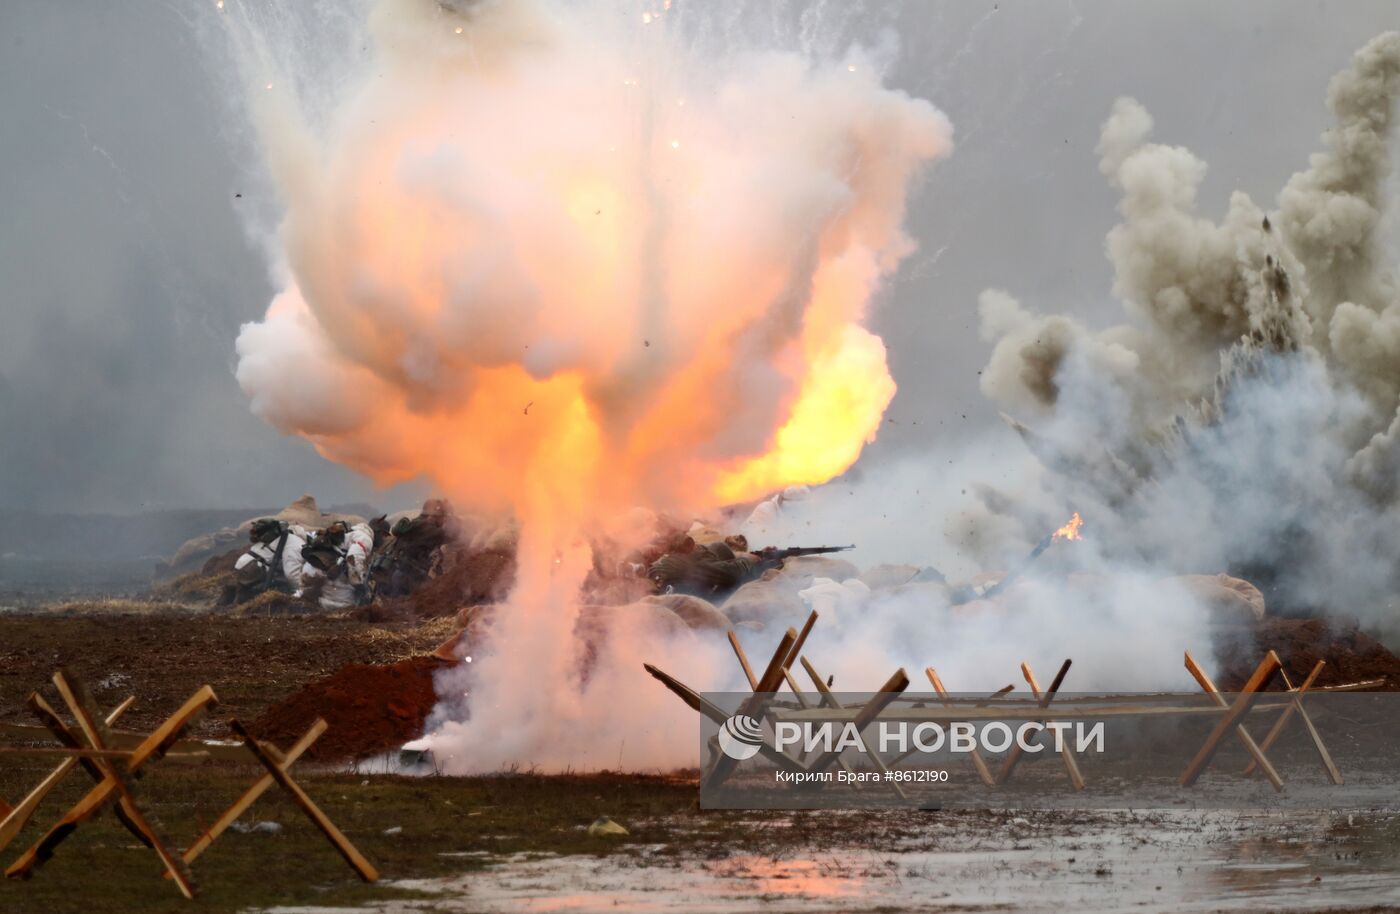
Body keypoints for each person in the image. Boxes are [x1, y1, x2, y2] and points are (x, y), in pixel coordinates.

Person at [372, 498, 459, 598]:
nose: (443, 520)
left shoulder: (415, 524)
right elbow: (453, 536)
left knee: (398, 607)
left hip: (399, 574)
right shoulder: (431, 530)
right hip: (413, 577)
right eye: (442, 517)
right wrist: (451, 515)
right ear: (432, 516)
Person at [227, 518, 310, 604]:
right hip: (253, 568)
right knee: (282, 585)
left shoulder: (282, 537)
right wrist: (300, 592)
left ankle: (230, 601)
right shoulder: (296, 545)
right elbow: (291, 574)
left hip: (244, 564)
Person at [647, 538, 761, 598]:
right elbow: (730, 573)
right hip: (668, 601)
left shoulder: (679, 554)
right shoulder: (699, 559)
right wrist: (749, 561)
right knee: (735, 582)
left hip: (654, 593)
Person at [301, 520, 377, 609]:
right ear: (380, 533)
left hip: (313, 572)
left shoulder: (350, 535)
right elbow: (354, 557)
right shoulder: (365, 538)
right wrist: (359, 584)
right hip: (337, 587)